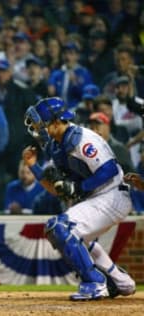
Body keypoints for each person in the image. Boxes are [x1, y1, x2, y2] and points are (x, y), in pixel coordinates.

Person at [22, 97, 135, 301]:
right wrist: (34, 167)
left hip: (112, 195)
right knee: (72, 235)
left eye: (42, 124)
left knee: (60, 227)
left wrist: (78, 186)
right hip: (99, 196)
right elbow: (59, 191)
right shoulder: (58, 146)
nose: (39, 129)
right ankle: (121, 282)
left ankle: (95, 282)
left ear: (56, 122)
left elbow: (108, 169)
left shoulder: (82, 140)